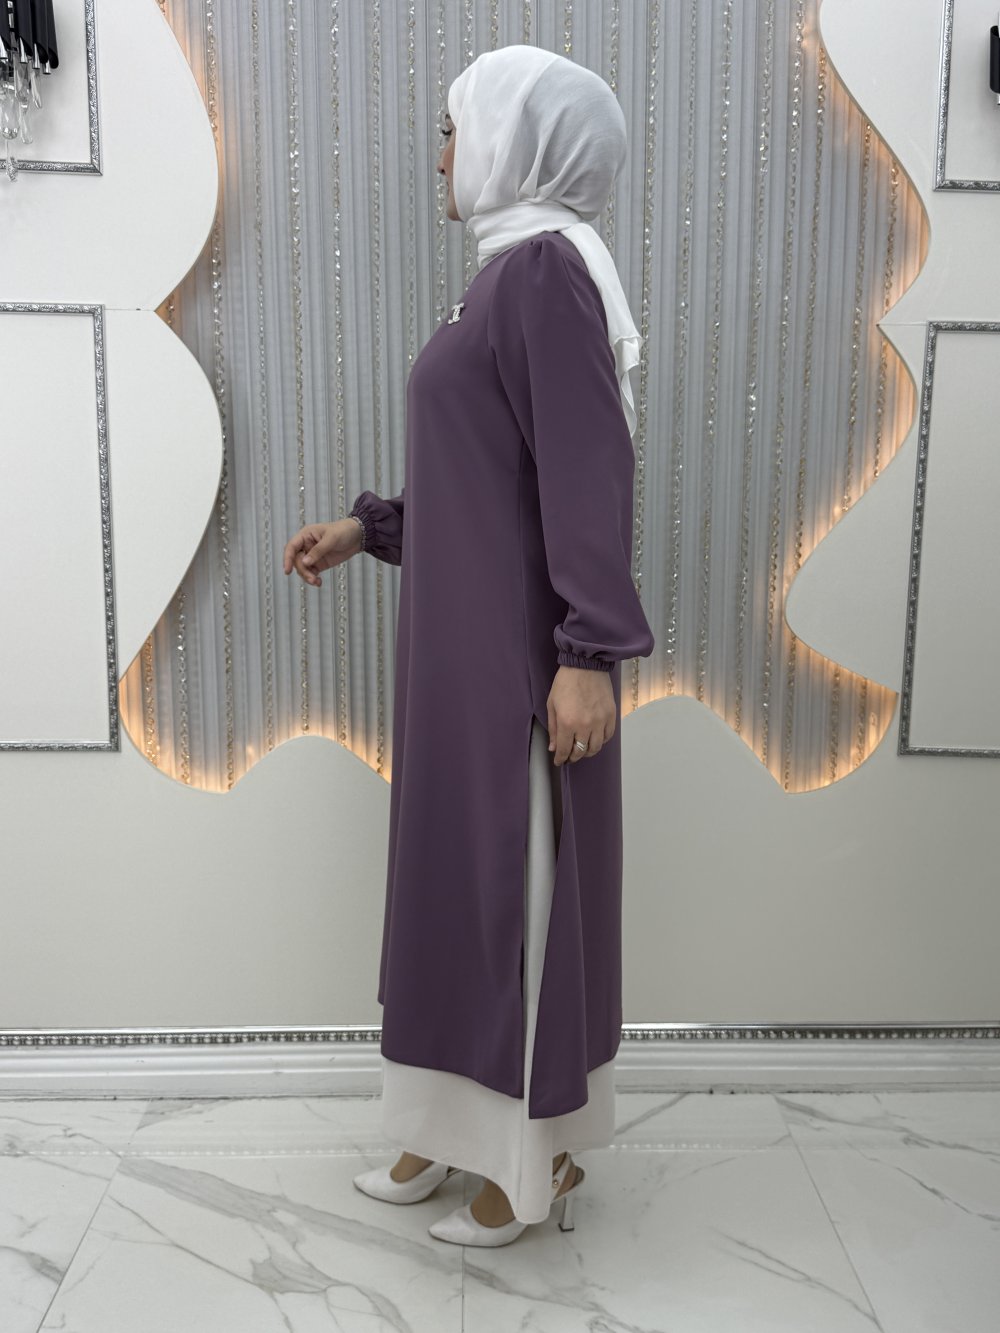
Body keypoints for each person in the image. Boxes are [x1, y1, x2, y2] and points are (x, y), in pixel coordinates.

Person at [283, 43, 654, 1247]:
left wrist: (588, 652)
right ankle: (443, 1128)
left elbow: (586, 471)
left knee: (509, 892)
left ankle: (532, 1158)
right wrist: (371, 528)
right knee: (451, 887)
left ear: (514, 141)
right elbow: (486, 473)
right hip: (453, 652)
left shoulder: (544, 273)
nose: (440, 156)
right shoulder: (499, 278)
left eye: (452, 130)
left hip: (514, 661)